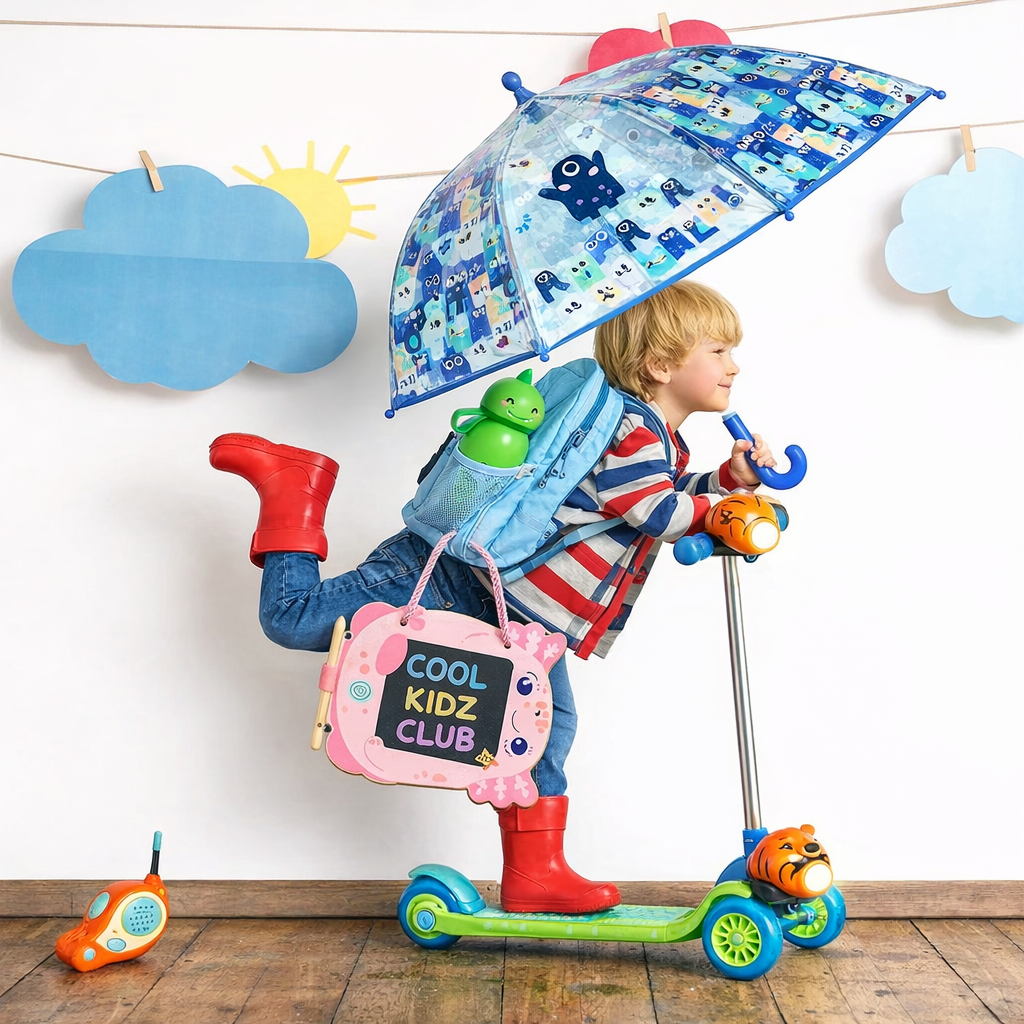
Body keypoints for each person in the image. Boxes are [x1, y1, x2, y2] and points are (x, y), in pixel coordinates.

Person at [210, 279, 776, 915]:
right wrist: (715, 511)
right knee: (293, 619)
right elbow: (655, 509)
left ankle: (535, 873)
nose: (734, 365)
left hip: (519, 613)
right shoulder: (631, 432)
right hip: (454, 578)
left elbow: (662, 493)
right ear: (661, 364)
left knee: (544, 731)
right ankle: (294, 492)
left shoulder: (650, 437)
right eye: (720, 351)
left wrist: (729, 481)